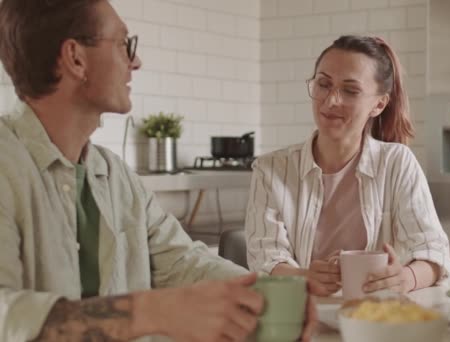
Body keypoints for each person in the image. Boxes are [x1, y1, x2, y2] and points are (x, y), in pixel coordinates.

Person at [0, 1, 315, 341]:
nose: (135, 61)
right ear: (76, 58)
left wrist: (273, 293)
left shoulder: (114, 175)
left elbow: (184, 262)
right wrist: (152, 310)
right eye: (124, 44)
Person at [245, 35, 450, 297]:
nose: (331, 101)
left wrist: (405, 278)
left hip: (379, 320)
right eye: (324, 84)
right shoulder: (270, 169)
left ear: (379, 104)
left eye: (350, 90)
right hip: (302, 314)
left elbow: (435, 253)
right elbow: (265, 258)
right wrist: (304, 277)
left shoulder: (397, 163)